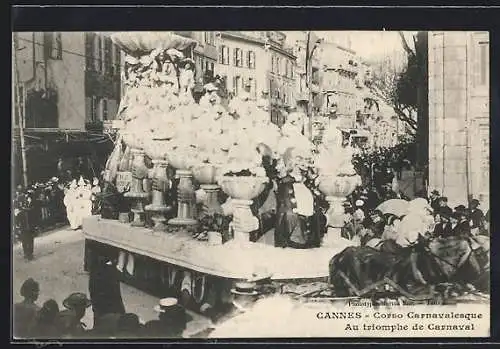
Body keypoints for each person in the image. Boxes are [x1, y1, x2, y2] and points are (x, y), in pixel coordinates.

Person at [88, 254, 126, 329]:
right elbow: (116, 295)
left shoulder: (95, 272)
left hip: (100, 306)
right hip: (110, 308)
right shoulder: (111, 272)